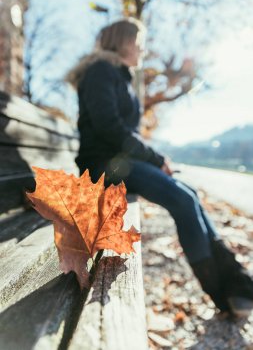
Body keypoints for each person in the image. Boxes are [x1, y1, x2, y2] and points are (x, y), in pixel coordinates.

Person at [66, 17, 253, 317]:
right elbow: (109, 128)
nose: (142, 49)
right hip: (103, 167)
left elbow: (126, 133)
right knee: (182, 200)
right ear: (123, 41)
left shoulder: (120, 76)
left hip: (121, 162)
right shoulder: (100, 71)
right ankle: (226, 293)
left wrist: (155, 159)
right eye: (138, 43)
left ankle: (237, 285)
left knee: (188, 193)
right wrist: (155, 159)